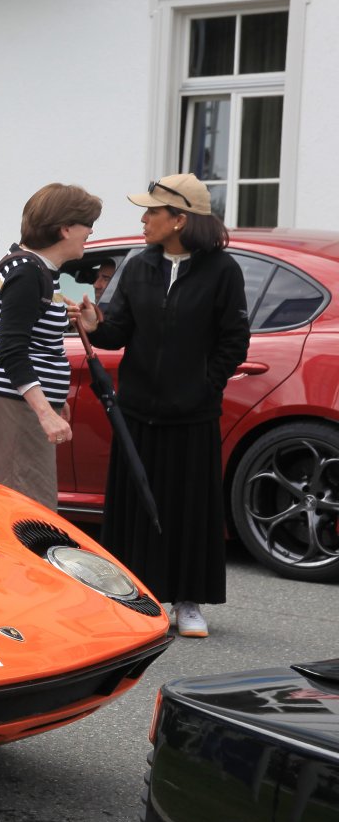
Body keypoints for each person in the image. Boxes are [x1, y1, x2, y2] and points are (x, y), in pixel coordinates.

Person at [82, 174, 250, 638]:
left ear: (179, 220)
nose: (143, 220)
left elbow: (234, 340)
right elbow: (119, 332)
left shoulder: (222, 270)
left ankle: (188, 602)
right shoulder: (139, 265)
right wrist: (96, 324)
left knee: (188, 510)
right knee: (135, 508)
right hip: (137, 412)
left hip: (193, 414)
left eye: (152, 212)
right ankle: (136, 597)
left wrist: (205, 387)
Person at [0, 183, 102, 509]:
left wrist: (52, 397)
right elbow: (12, 349)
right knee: (18, 512)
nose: (91, 232)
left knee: (18, 509)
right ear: (65, 229)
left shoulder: (35, 269)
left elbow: (33, 338)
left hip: (17, 407)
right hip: (13, 412)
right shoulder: (27, 272)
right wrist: (44, 411)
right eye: (88, 224)